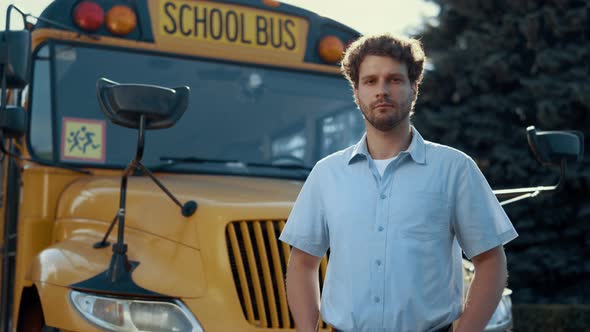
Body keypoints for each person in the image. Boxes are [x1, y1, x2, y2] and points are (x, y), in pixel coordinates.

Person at [279, 33, 518, 332]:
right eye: (370, 81)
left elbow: (491, 261)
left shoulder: (455, 169)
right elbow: (302, 262)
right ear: (356, 92)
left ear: (413, 88)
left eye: (394, 80)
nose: (382, 91)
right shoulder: (326, 174)